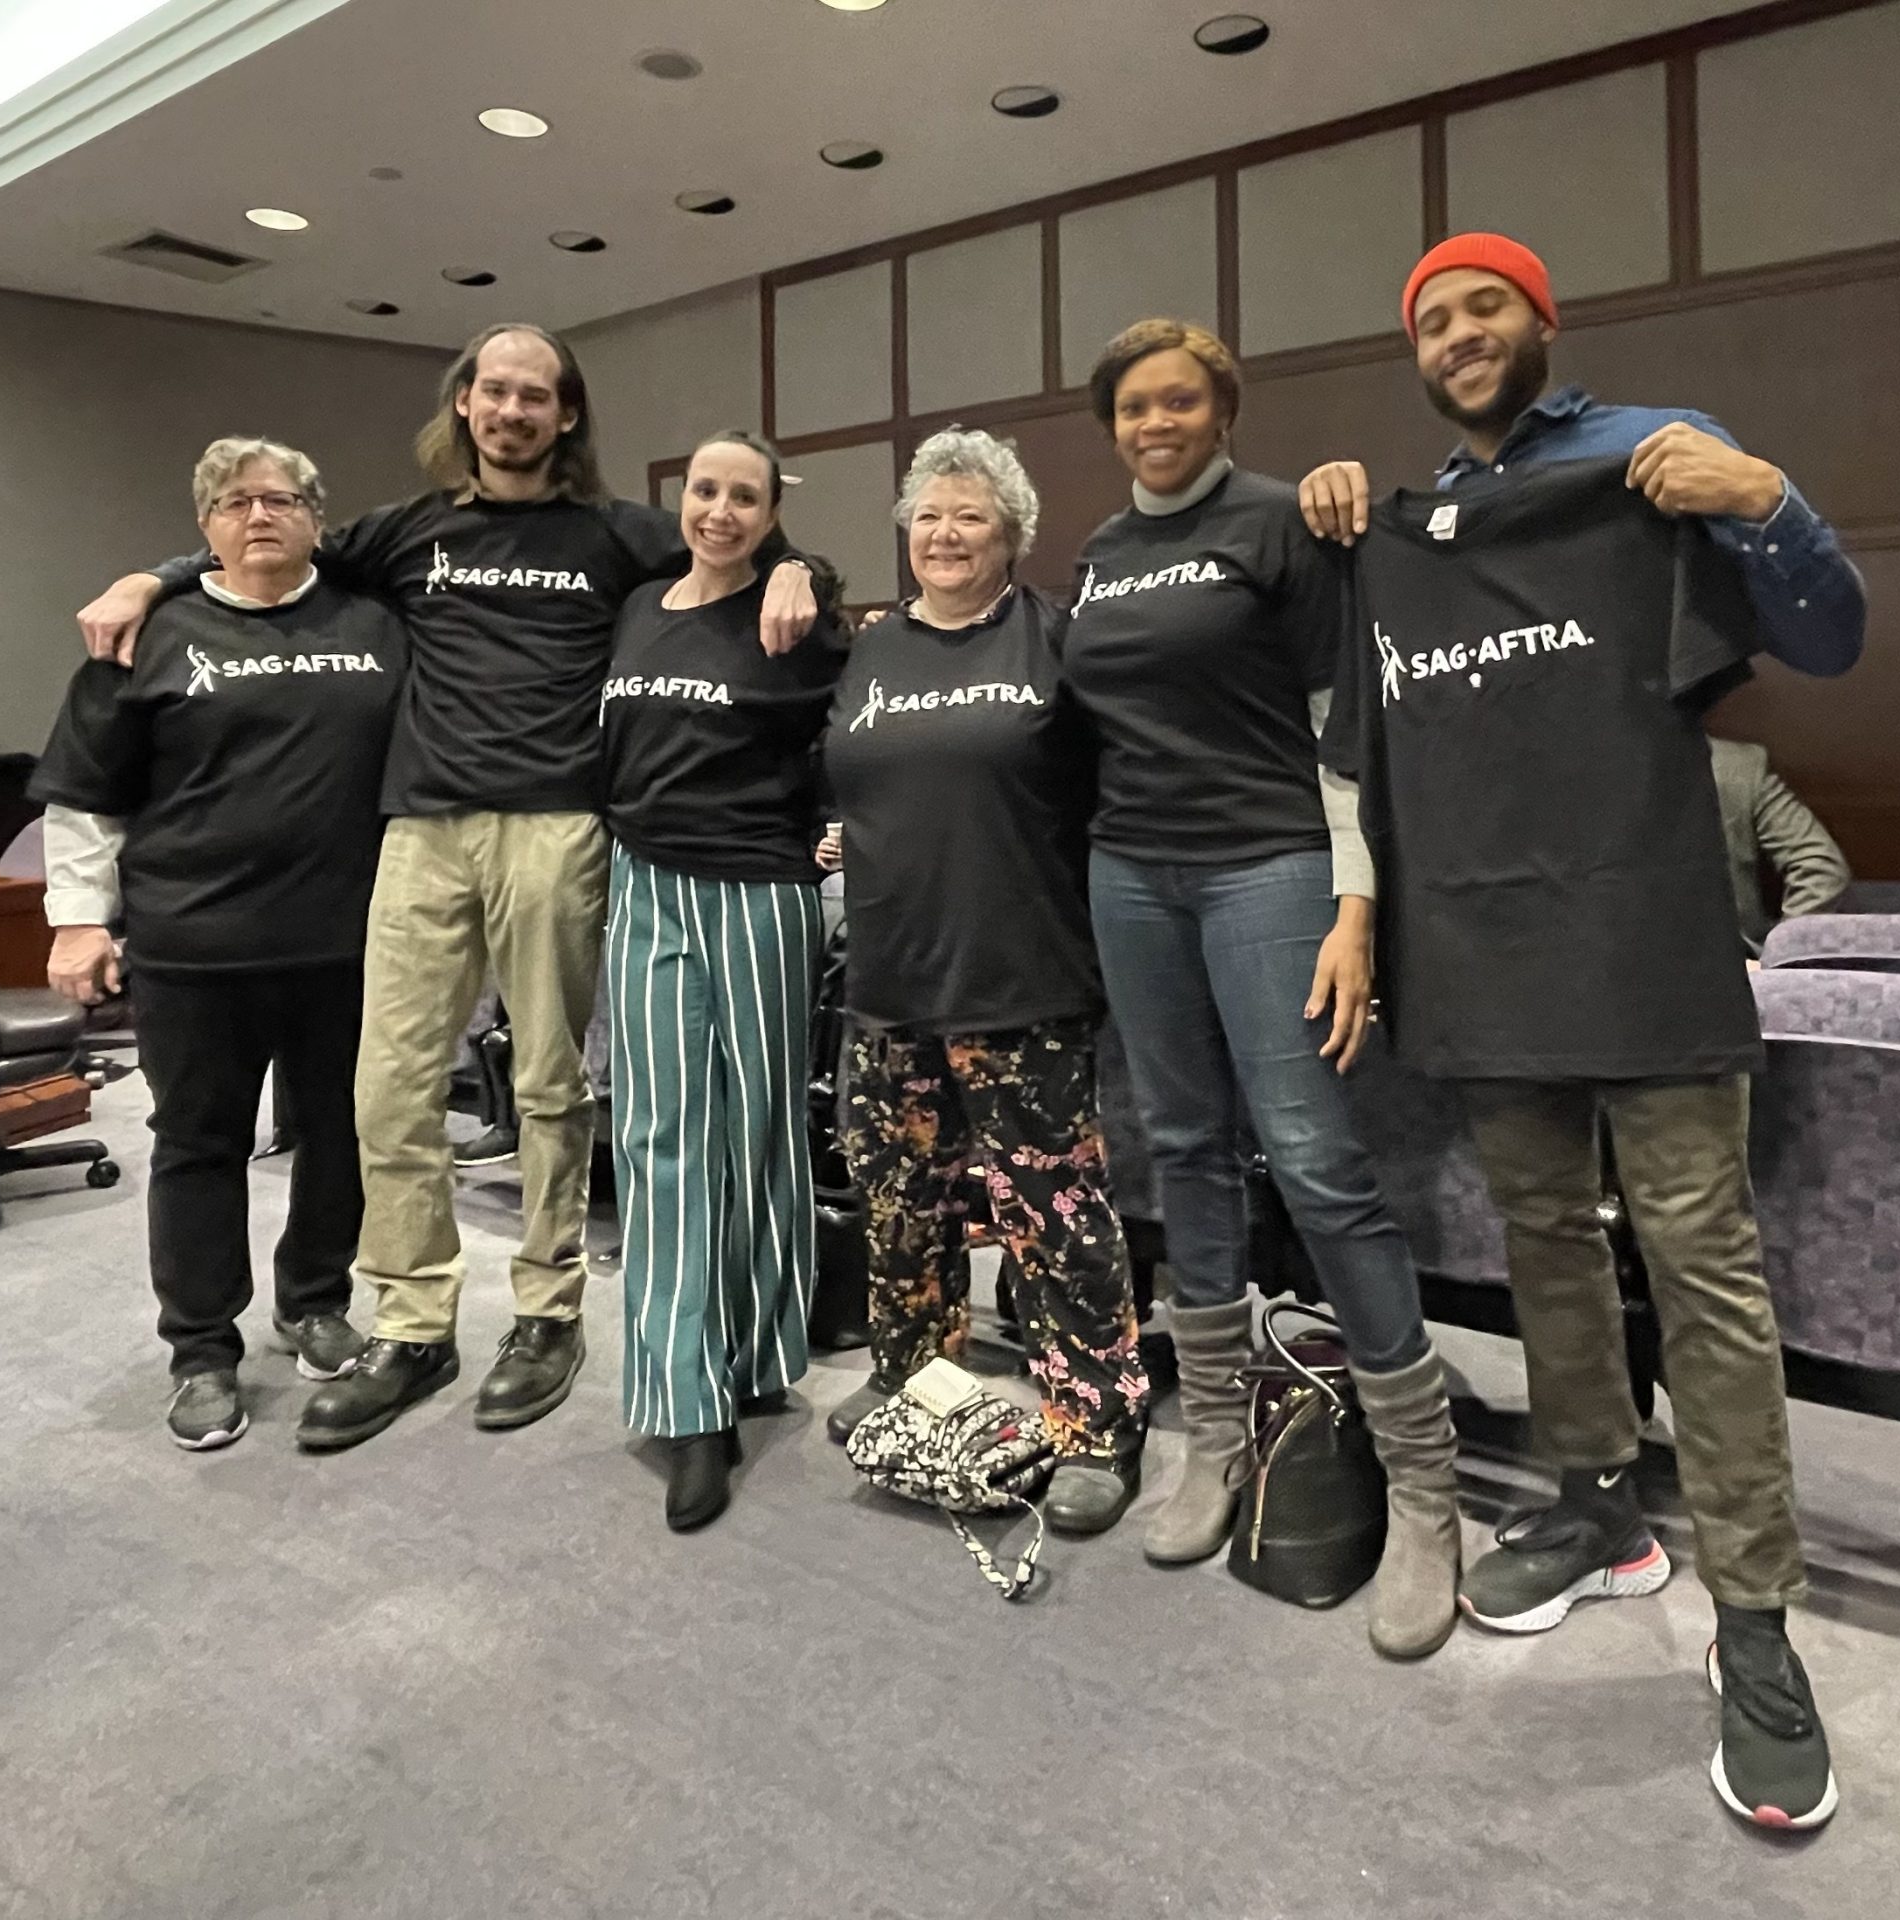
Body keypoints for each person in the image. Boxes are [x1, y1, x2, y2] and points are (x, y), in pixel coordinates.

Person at [1301, 231, 1866, 1829]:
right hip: (1483, 946)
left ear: (1543, 321)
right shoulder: (1407, 530)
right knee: (1540, 1233)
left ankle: (1755, 1624)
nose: (1459, 335)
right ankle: (1598, 1503)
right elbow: (1354, 750)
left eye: (1485, 307)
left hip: (1645, 933)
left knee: (1702, 1261)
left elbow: (1829, 638)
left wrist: (1764, 499)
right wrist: (1341, 521)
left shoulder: (1645, 458)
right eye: (1432, 320)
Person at [72, 326, 819, 1452]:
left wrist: (803, 567)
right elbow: (275, 546)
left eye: (536, 395)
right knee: (387, 1090)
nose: (514, 410)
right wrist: (154, 575)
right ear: (464, 403)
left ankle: (546, 1312)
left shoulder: (618, 534)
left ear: (566, 415)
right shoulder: (406, 532)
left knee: (551, 1086)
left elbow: (740, 539)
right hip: (421, 831)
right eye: (495, 391)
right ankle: (415, 1321)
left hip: (556, 824)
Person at [1065, 319, 1463, 1656]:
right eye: (1133, 406)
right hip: (1130, 873)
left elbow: (1346, 726)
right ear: (1112, 425)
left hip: (1267, 867)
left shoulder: (1283, 523)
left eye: (1179, 401)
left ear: (1222, 411)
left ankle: (1423, 1490)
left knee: (1313, 1158)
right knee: (1180, 1144)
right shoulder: (1099, 557)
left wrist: (1356, 904)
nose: (1155, 422)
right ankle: (1219, 1440)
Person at [34, 438, 403, 1448]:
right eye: (235, 502)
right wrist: (77, 919)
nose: (259, 515)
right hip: (193, 946)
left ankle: (315, 1302)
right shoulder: (147, 633)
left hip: (345, 942)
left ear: (316, 517)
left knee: (339, 1135)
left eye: (280, 499)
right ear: (205, 527)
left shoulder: (376, 620)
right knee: (199, 1145)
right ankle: (200, 1349)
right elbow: (85, 792)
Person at [820, 427, 1149, 1534]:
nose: (945, 533)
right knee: (900, 1206)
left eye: (970, 516)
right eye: (928, 515)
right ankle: (916, 1377)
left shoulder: (1054, 639)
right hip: (889, 979)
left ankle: (1095, 1421)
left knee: (1054, 1214)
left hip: (1023, 978)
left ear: (1012, 534)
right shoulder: (871, 652)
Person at [600, 430, 846, 1530]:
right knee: (659, 1136)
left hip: (759, 891)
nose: (720, 511)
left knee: (760, 1131)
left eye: (745, 497)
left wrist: (806, 574)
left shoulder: (798, 616)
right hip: (645, 883)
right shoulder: (638, 608)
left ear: (771, 513)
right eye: (705, 489)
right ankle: (686, 1402)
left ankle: (756, 1355)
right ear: (682, 497)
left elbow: (851, 739)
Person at [1709, 736, 1849, 952]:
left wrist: (1779, 956)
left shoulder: (1737, 767)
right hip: (1726, 960)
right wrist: (1778, 957)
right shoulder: (1735, 765)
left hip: (1722, 960)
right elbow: (1821, 866)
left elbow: (1820, 867)